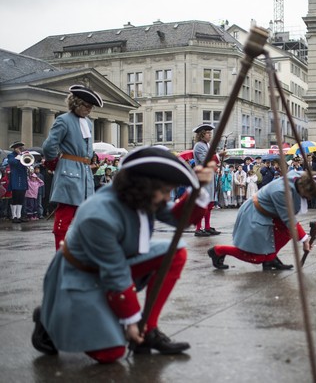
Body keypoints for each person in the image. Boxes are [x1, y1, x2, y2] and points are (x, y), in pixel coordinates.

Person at [31, 147, 215, 363]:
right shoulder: (98, 216)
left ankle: (149, 330)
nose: (167, 196)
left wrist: (197, 191)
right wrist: (131, 321)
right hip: (82, 276)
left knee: (175, 253)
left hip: (112, 266)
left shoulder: (141, 195)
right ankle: (49, 318)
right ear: (145, 185)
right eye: (165, 190)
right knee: (111, 353)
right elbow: (115, 275)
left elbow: (178, 219)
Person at [207, 170, 316, 270]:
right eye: (310, 195)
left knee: (287, 233)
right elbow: (289, 220)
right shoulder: (281, 192)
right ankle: (218, 251)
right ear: (305, 188)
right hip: (255, 213)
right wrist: (305, 240)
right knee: (255, 257)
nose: (308, 198)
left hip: (272, 214)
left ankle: (270, 259)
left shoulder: (300, 177)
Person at [43, 85, 103, 249]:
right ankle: (61, 256)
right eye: (87, 106)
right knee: (64, 218)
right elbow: (49, 147)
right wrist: (53, 162)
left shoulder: (89, 123)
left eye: (91, 107)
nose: (89, 109)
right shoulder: (63, 120)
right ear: (76, 103)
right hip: (69, 172)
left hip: (85, 174)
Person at [192, 123, 222, 237]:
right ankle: (198, 228)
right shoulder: (199, 145)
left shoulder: (207, 145)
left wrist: (216, 166)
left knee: (209, 204)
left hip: (209, 176)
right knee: (202, 204)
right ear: (202, 134)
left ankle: (207, 227)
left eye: (210, 133)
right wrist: (218, 156)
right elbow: (205, 160)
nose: (210, 135)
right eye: (208, 133)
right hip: (202, 178)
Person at [7, 141, 30, 223]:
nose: (21, 149)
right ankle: (14, 216)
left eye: (21, 147)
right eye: (19, 147)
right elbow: (12, 162)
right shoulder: (11, 155)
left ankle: (19, 216)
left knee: (21, 198)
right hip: (15, 178)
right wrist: (19, 155)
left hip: (23, 178)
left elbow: (27, 163)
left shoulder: (23, 155)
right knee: (15, 198)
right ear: (15, 148)